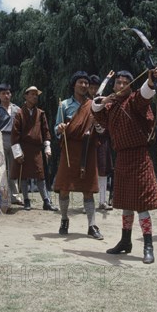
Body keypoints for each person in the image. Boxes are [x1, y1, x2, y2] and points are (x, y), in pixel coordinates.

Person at [92, 68, 157, 264]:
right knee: (125, 203)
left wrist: (150, 80)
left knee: (141, 205)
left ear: (131, 86)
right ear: (113, 86)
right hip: (122, 157)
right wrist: (103, 101)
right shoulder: (111, 106)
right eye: (118, 83)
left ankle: (148, 245)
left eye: (125, 83)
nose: (121, 86)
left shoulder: (135, 101)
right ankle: (125, 241)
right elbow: (96, 112)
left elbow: (145, 94)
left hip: (139, 156)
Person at [54, 71, 103, 239]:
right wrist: (60, 128)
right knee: (65, 189)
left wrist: (98, 126)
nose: (84, 85)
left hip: (88, 150)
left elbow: (101, 128)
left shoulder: (94, 104)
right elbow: (56, 129)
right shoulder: (64, 105)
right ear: (74, 84)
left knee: (88, 190)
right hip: (70, 150)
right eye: (80, 82)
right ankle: (64, 219)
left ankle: (92, 225)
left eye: (86, 83)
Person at [10, 86, 58, 211]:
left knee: (40, 175)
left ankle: (46, 201)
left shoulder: (41, 113)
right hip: (24, 148)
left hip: (37, 149)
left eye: (36, 94)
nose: (35, 96)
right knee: (24, 176)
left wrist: (47, 147)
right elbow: (15, 134)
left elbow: (46, 131)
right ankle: (26, 200)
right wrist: (17, 152)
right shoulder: (19, 113)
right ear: (26, 96)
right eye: (32, 94)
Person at [0, 83, 22, 205]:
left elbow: (21, 126)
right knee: (1, 168)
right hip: (1, 138)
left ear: (11, 94)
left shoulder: (17, 109)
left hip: (15, 140)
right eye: (3, 93)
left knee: (14, 169)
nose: (6, 96)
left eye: (8, 93)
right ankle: (2, 196)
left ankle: (15, 196)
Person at [88, 74, 114, 211]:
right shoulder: (86, 103)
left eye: (95, 88)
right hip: (90, 139)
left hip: (103, 138)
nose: (93, 91)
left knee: (103, 170)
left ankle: (102, 201)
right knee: (89, 170)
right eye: (90, 88)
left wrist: (108, 78)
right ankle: (89, 201)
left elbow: (100, 93)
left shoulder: (103, 101)